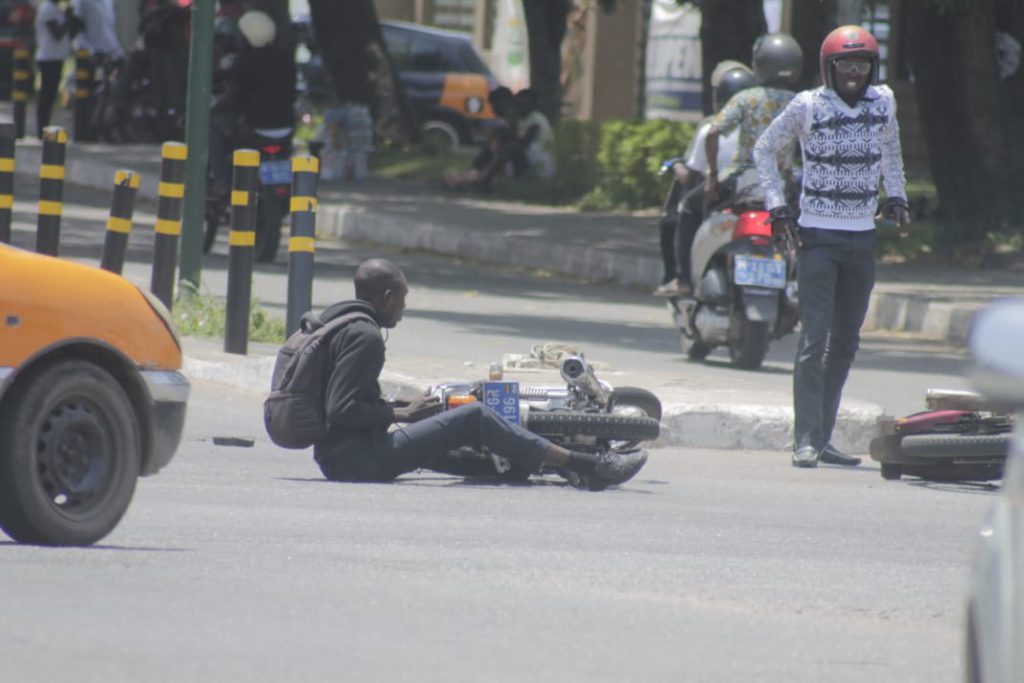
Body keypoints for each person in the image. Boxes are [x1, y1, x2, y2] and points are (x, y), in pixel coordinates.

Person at [311, 258, 648, 490]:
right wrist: (400, 412)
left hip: (346, 455)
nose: (404, 307)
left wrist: (404, 404)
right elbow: (341, 410)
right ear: (386, 297)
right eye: (402, 298)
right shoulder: (366, 337)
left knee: (504, 469)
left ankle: (554, 465)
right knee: (474, 417)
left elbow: (349, 399)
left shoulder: (347, 326)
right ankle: (590, 467)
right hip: (358, 459)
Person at [753, 25, 910, 469]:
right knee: (814, 340)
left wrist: (897, 194)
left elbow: (892, 151)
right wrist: (777, 206)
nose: (854, 73)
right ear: (829, 68)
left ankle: (822, 437)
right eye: (845, 65)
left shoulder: (885, 101)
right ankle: (804, 439)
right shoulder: (808, 105)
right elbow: (764, 149)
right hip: (817, 237)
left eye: (861, 64)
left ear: (871, 67)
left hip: (862, 238)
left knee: (845, 341)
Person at [653, 63, 757, 297]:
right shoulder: (766, 124)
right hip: (764, 194)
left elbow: (690, 176)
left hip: (726, 191)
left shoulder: (713, 127)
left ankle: (682, 279)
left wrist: (674, 164)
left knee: (686, 206)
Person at [703, 32, 804, 216]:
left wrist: (712, 177)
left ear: (760, 63)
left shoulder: (746, 97)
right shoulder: (802, 102)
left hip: (743, 176)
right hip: (785, 179)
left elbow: (712, 132)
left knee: (707, 208)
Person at [209, 9, 296, 195]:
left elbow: (232, 97)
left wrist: (211, 110)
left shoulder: (246, 61)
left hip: (255, 129)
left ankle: (222, 182)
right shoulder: (286, 59)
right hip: (287, 129)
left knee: (212, 127)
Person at [34, 0, 71, 138]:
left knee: (50, 96)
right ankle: (41, 129)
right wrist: (68, 18)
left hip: (56, 57)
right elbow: (57, 33)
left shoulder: (55, 8)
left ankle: (44, 127)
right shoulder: (47, 9)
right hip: (48, 57)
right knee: (46, 95)